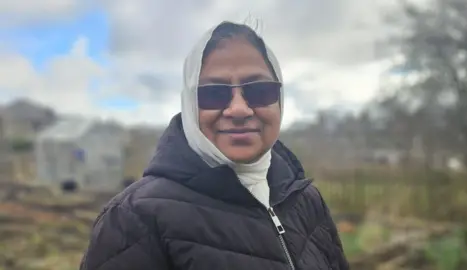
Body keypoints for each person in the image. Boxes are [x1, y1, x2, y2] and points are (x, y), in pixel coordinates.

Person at [79, 21, 349, 270]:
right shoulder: (134, 218)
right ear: (189, 105)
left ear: (280, 99)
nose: (239, 109)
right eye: (213, 93)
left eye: (259, 90)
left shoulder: (306, 199)